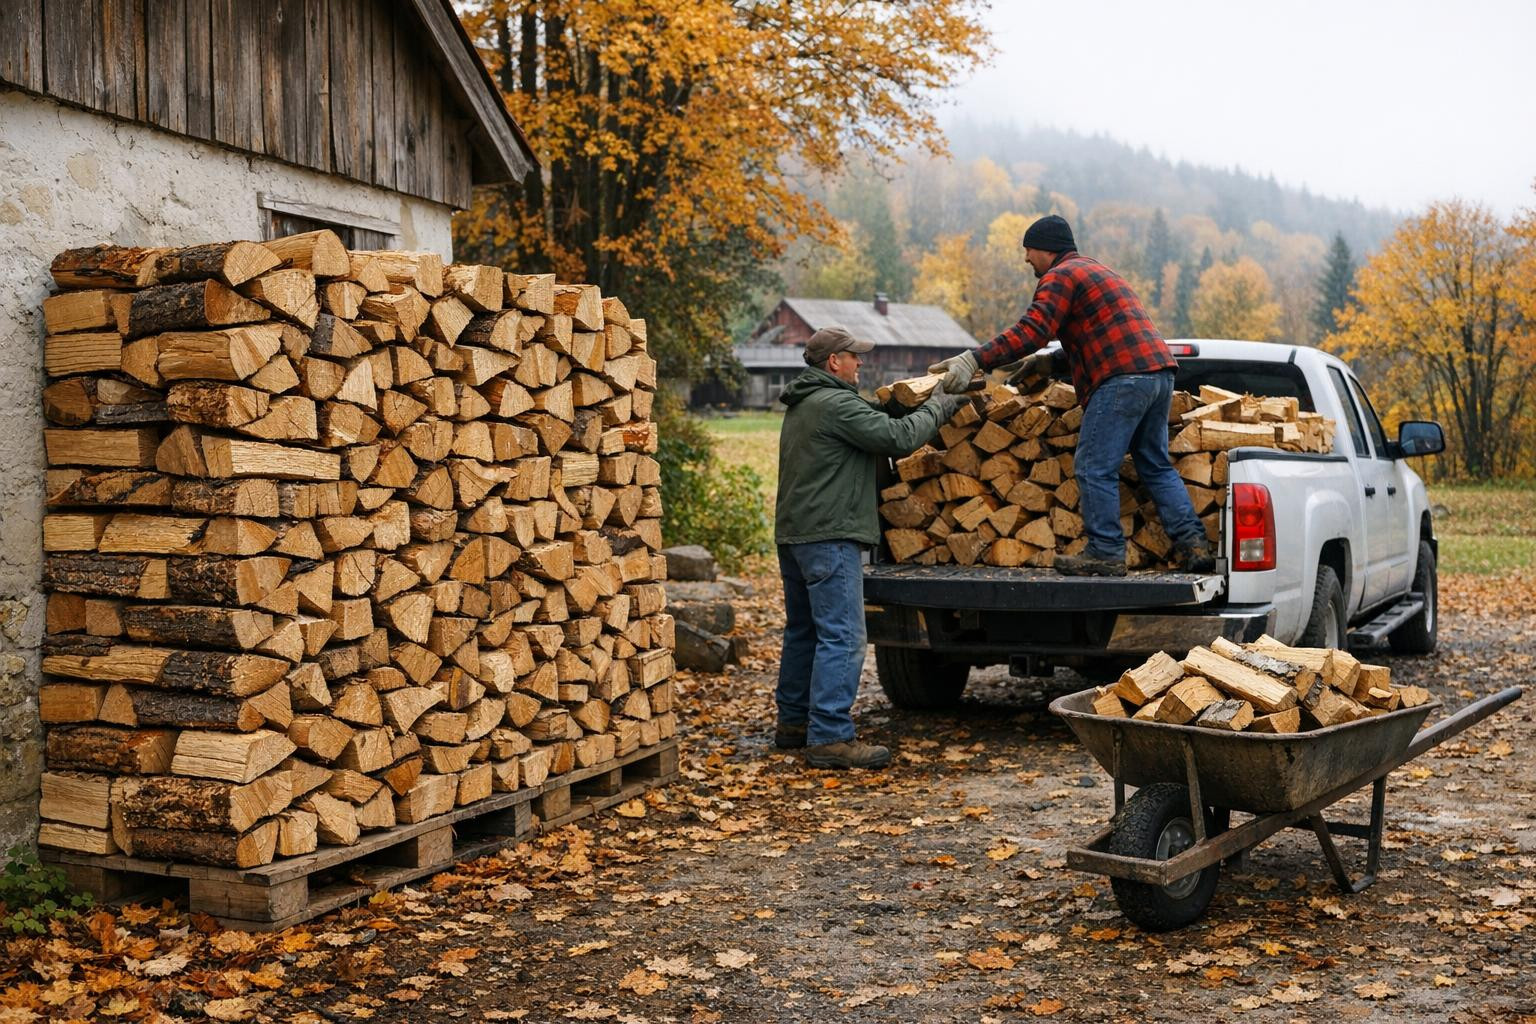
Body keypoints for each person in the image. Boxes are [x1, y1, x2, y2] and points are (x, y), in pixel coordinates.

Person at [928, 214, 1214, 578]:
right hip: (1157, 375)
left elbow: (1032, 329)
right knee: (1154, 464)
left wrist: (975, 358)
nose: (1026, 259)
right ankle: (1193, 545)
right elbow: (1105, 334)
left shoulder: (1059, 276)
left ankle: (1106, 552)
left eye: (1028, 250)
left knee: (1094, 465)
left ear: (1045, 248)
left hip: (1121, 380)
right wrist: (1049, 364)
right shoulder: (1100, 273)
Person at [775, 327, 965, 769]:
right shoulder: (835, 403)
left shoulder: (807, 403)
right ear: (833, 363)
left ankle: (794, 724)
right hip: (830, 534)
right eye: (853, 356)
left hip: (797, 534)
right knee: (843, 636)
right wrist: (940, 405)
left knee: (805, 631)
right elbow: (897, 440)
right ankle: (830, 737)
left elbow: (871, 418)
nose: (860, 363)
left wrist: (894, 404)